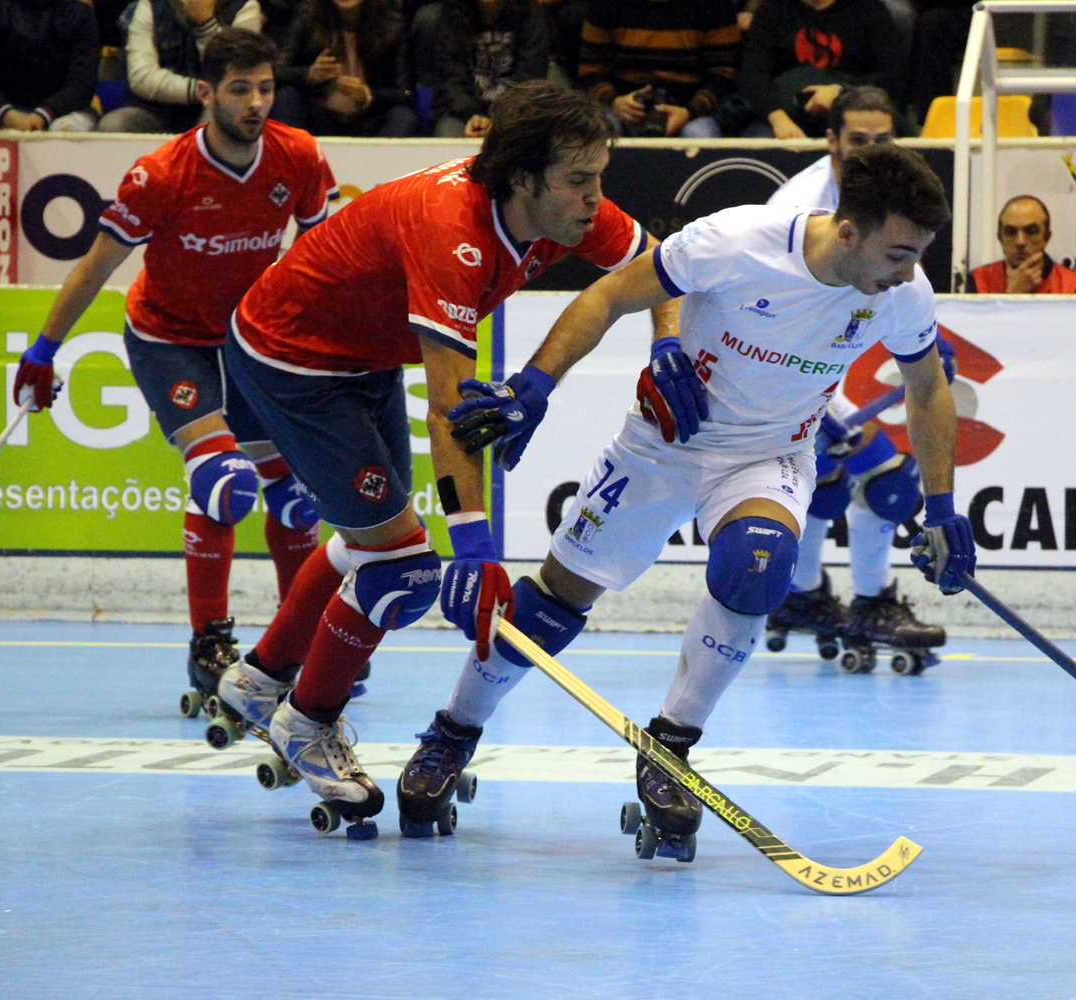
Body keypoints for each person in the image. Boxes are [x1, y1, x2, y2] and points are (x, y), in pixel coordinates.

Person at [421, 144, 975, 859]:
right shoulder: (739, 240)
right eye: (897, 254)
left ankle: (670, 749)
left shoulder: (902, 290)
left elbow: (927, 389)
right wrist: (539, 382)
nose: (906, 273)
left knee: (757, 564)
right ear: (848, 232)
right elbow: (608, 295)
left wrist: (941, 506)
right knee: (549, 607)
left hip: (768, 456)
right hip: (664, 445)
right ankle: (451, 733)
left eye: (916, 256)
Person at [214, 81, 665, 839]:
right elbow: (450, 409)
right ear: (522, 179)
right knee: (405, 570)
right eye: (579, 179)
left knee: (375, 542)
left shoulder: (567, 209)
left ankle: (259, 678)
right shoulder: (453, 231)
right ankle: (307, 721)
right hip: (293, 361)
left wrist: (670, 346)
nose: (596, 196)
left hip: (362, 357)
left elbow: (661, 271)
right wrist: (476, 550)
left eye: (599, 176)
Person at [11, 29, 337, 708]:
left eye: (266, 88)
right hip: (169, 339)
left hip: (250, 340)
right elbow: (96, 267)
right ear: (206, 94)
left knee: (297, 497)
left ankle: (298, 643)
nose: (256, 103)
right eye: (240, 90)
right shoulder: (160, 174)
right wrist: (44, 349)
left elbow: (323, 257)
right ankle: (208, 644)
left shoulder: (299, 155)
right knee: (223, 481)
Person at [764, 85, 946, 672]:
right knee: (885, 479)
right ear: (831, 142)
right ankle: (866, 603)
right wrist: (830, 410)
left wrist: (925, 344)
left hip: (828, 348)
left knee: (834, 478)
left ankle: (802, 593)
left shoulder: (899, 198)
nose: (871, 150)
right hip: (777, 358)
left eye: (883, 139)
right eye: (857, 140)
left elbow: (897, 289)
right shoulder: (797, 207)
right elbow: (780, 326)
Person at [737, 0, 904, 139]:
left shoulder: (869, 10)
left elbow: (891, 78)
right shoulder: (772, 11)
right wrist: (778, 119)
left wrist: (842, 94)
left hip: (855, 114)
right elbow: (752, 75)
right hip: (782, 113)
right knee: (758, 145)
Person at [576, 0, 741, 139]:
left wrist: (689, 112)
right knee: (599, 134)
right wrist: (614, 102)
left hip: (691, 108)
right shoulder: (606, 4)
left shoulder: (714, 5)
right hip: (623, 105)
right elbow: (590, 71)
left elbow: (723, 75)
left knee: (700, 136)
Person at [98, 0, 264, 133]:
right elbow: (141, 78)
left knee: (219, 116)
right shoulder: (150, 5)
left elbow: (233, 74)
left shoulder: (245, 8)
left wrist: (205, 24)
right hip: (154, 110)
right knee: (114, 124)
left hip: (213, 109)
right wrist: (202, 91)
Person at [272, 0, 416, 137]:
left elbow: (406, 94)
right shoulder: (308, 15)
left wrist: (369, 96)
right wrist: (309, 74)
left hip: (370, 119)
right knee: (286, 96)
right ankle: (289, 153)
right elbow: (276, 73)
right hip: (320, 115)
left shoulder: (392, 23)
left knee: (404, 116)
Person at [0, 0, 99, 132]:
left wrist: (43, 115)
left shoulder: (80, 15)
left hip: (63, 111)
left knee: (69, 128)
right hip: (1, 109)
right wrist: (6, 113)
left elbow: (81, 83)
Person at [419, 0, 549, 139]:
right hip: (461, 113)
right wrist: (473, 116)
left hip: (514, 113)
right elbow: (451, 80)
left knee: (527, 136)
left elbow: (528, 80)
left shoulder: (530, 16)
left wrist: (498, 119)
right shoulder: (451, 14)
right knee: (448, 132)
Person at [969, 196, 1076, 294]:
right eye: (1011, 232)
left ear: (1046, 237)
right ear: (1000, 238)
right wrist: (1013, 295)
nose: (1020, 241)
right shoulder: (978, 281)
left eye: (1031, 231)